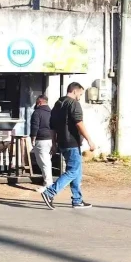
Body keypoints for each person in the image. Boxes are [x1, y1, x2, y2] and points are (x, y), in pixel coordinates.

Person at [41, 82, 96, 210]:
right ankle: (49, 193)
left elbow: (52, 126)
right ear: (75, 91)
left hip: (62, 142)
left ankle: (77, 200)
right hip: (72, 142)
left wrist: (54, 144)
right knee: (72, 171)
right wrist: (89, 140)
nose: (80, 97)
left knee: (77, 171)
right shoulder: (73, 104)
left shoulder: (57, 104)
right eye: (80, 94)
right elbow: (79, 123)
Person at [30, 95, 53, 191]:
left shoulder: (37, 112)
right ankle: (48, 181)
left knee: (44, 162)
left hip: (41, 139)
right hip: (51, 139)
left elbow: (35, 126)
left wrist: (33, 138)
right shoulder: (52, 112)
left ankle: (48, 184)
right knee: (47, 162)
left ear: (39, 102)